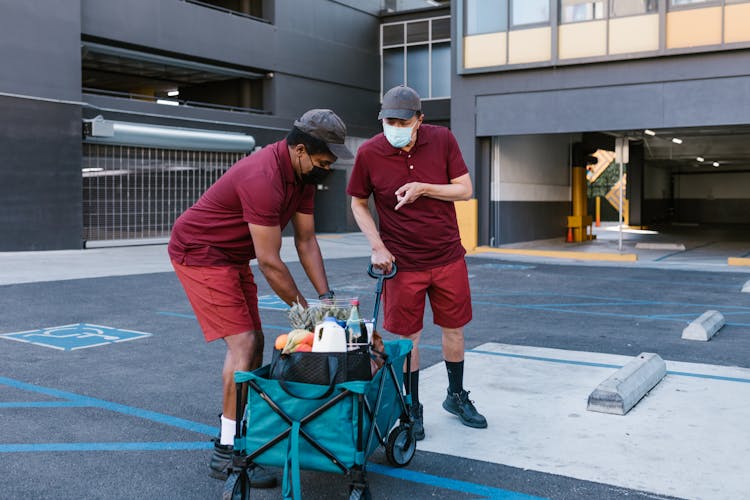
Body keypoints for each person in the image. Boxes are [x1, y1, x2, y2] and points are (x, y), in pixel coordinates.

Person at [169, 109, 352, 485]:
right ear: (300, 150)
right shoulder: (264, 176)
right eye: (323, 161)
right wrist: (306, 315)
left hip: (233, 255)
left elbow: (305, 240)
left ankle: (239, 435)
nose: (327, 169)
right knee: (243, 343)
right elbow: (270, 262)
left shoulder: (301, 177)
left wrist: (325, 299)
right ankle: (227, 453)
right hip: (200, 251)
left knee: (259, 343)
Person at [346, 85, 487, 441]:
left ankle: (455, 396)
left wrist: (424, 187)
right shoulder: (369, 153)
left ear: (419, 120)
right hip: (401, 262)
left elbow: (465, 189)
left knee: (454, 330)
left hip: (447, 256)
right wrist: (377, 246)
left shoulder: (442, 140)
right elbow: (358, 203)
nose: (393, 126)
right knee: (408, 339)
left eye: (401, 121)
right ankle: (411, 407)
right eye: (387, 120)